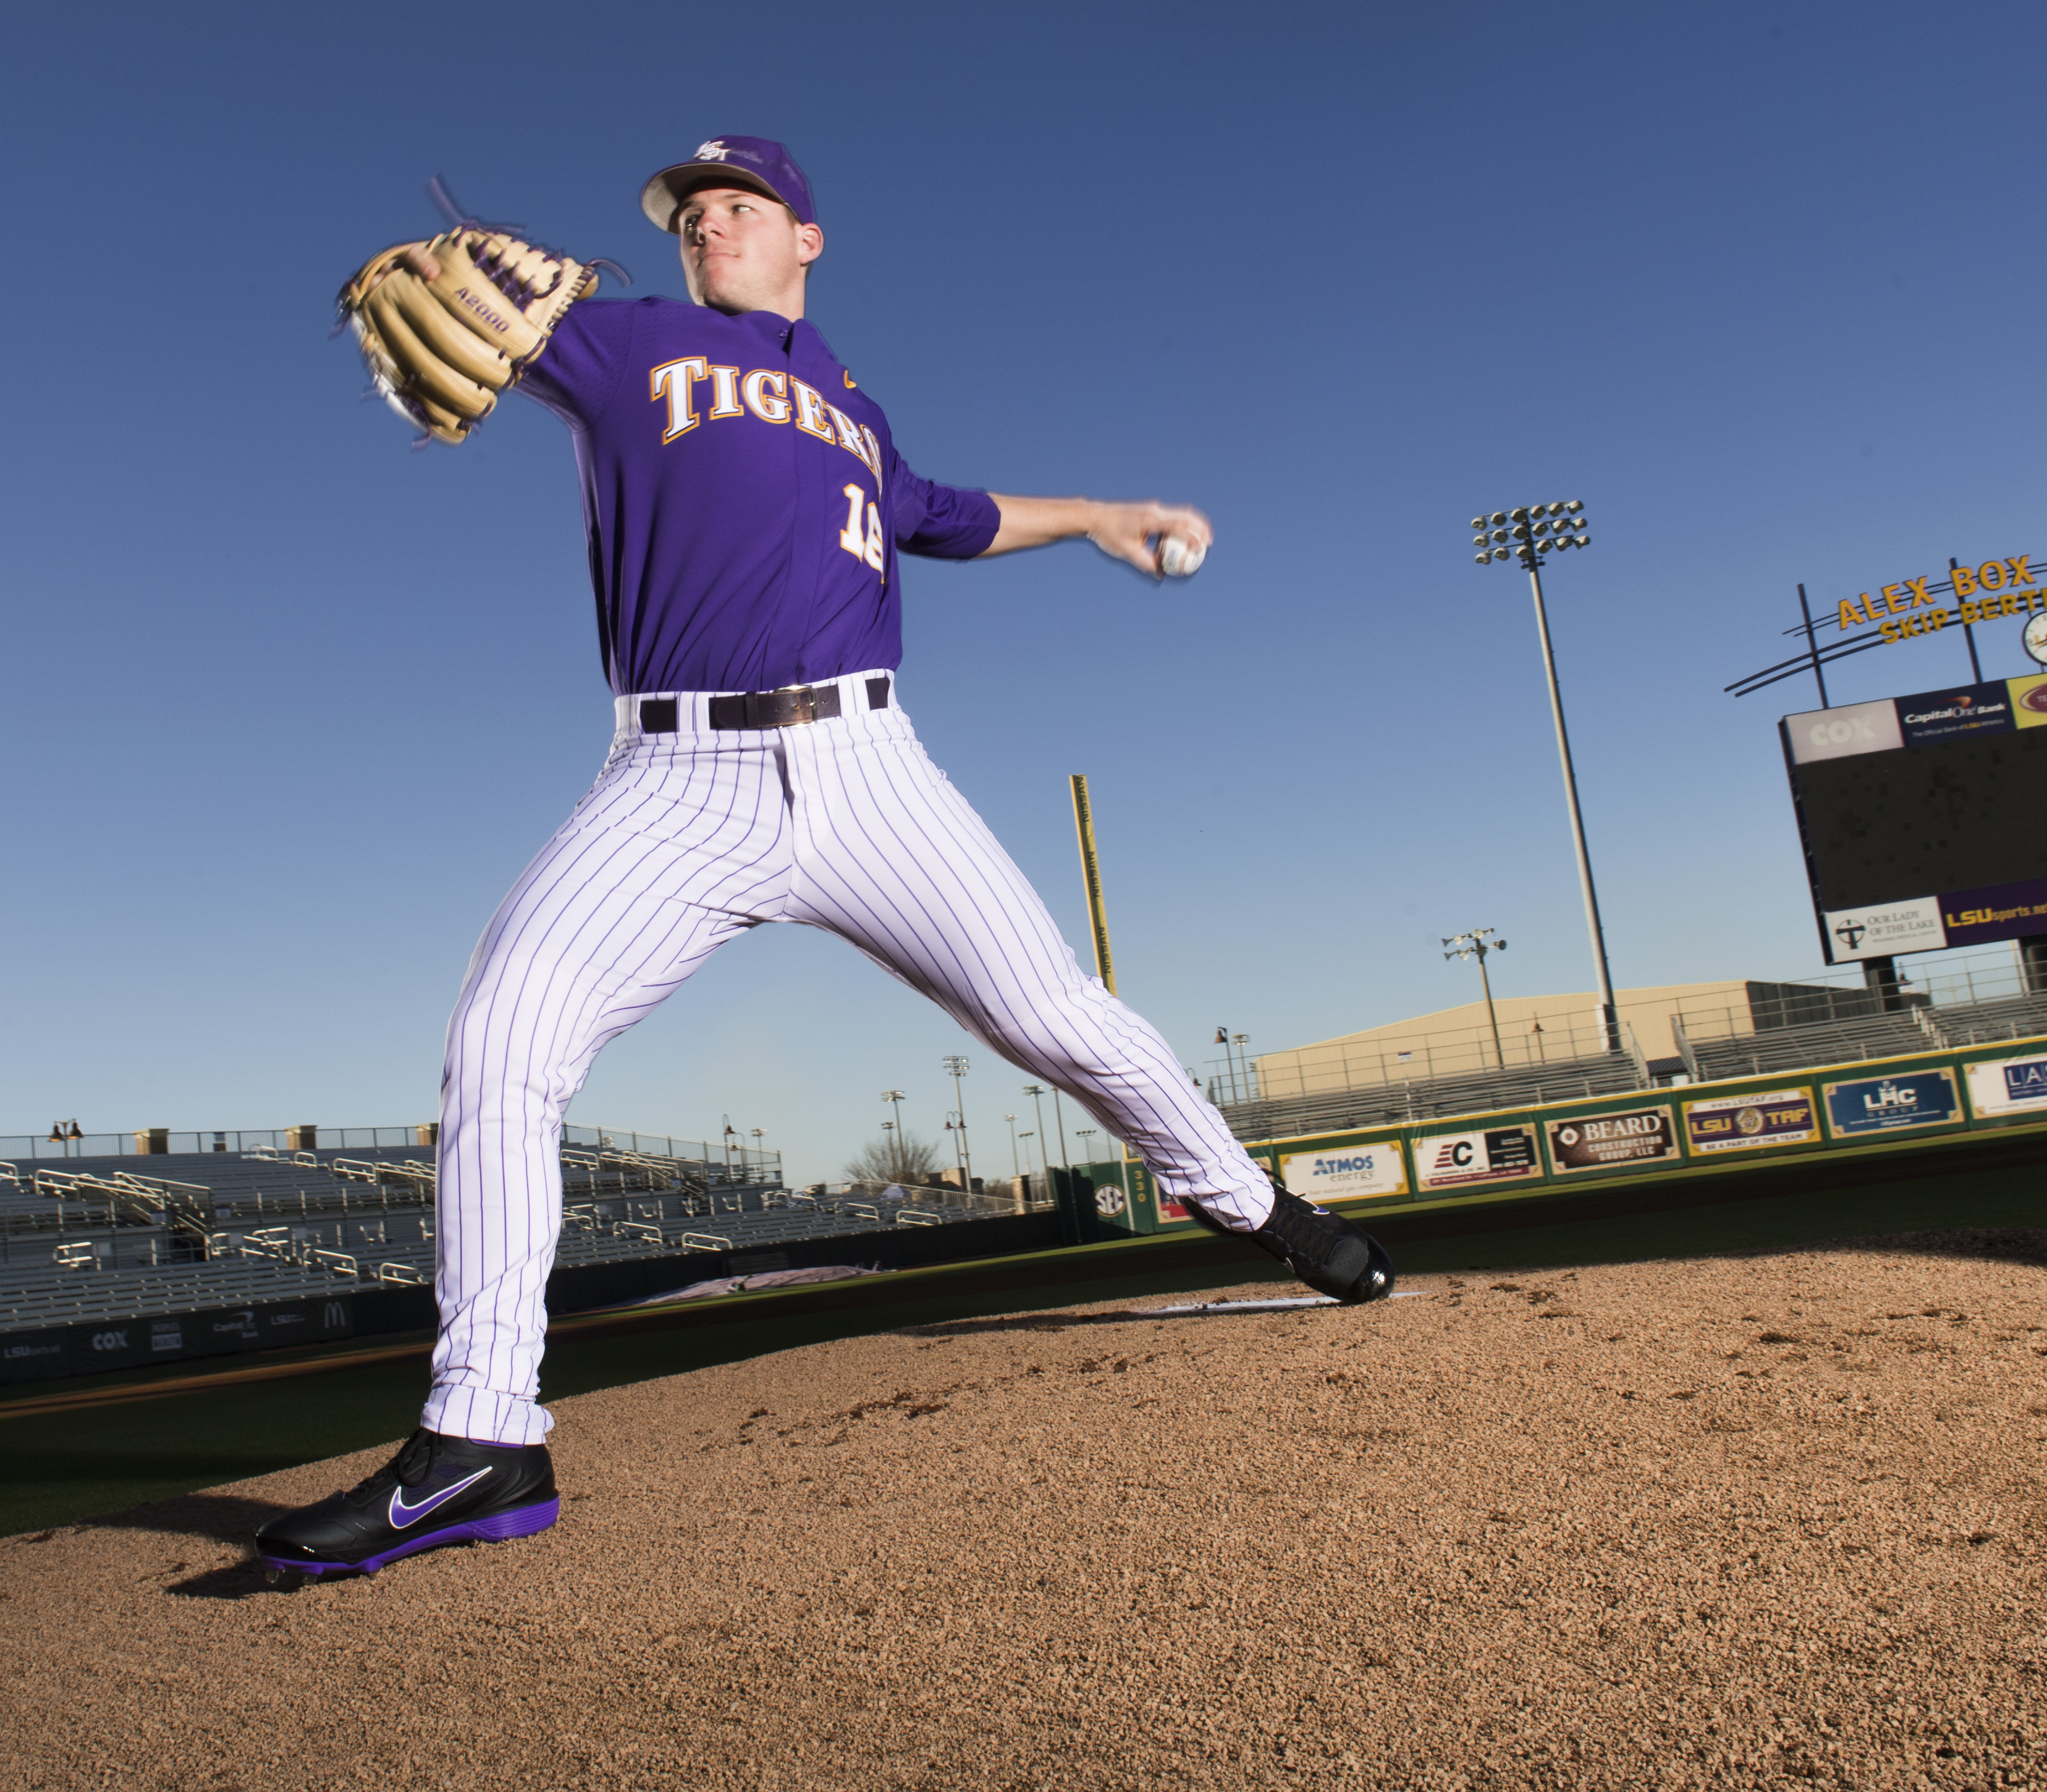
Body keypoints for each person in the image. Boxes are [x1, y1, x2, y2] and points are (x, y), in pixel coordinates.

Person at [256, 137, 1393, 1584]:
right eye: (687, 212)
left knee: (1057, 1017)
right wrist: (423, 269)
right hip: (677, 777)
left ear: (806, 238)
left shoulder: (854, 403)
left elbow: (953, 520)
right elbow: (460, 307)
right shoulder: (625, 345)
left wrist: (1104, 516)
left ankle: (1268, 1212)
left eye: (738, 205)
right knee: (500, 1040)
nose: (707, 222)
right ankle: (484, 1435)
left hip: (870, 772)